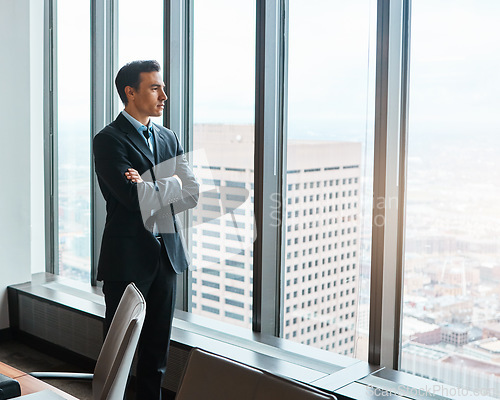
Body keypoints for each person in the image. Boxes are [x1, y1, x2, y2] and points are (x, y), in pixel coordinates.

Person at [93, 60, 199, 400]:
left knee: (157, 354)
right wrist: (170, 184)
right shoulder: (109, 140)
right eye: (155, 88)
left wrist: (151, 185)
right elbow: (131, 199)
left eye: (162, 87)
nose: (164, 96)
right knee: (119, 350)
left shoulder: (168, 136)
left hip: (166, 257)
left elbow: (193, 192)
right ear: (130, 92)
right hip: (127, 259)